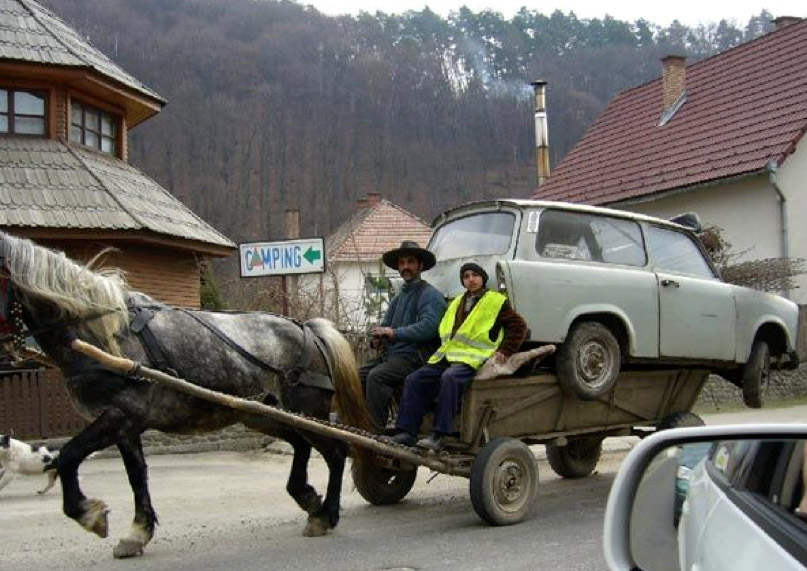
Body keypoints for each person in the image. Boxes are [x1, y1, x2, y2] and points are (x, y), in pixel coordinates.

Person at [389, 262, 527, 450]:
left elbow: (519, 326)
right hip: (447, 356)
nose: (471, 279)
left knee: (450, 378)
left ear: (482, 278)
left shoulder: (496, 301)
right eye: (466, 276)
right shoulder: (455, 303)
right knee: (414, 379)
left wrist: (505, 350)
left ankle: (439, 435)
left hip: (473, 357)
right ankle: (406, 432)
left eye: (475, 275)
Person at [360, 241, 447, 431]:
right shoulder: (399, 297)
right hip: (393, 357)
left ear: (420, 266)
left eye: (410, 262)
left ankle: (373, 431)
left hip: (415, 357)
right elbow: (385, 326)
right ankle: (357, 422)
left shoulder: (430, 295)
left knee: (377, 377)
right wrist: (377, 339)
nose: (405, 267)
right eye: (401, 263)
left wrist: (393, 333)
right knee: (358, 375)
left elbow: (428, 327)